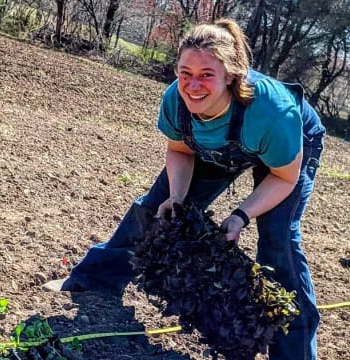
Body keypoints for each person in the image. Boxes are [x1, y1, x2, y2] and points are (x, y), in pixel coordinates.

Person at [44, 18, 325, 360]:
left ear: (231, 75)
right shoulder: (176, 102)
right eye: (184, 73)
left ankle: (294, 351)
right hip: (215, 144)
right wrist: (176, 200)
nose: (193, 85)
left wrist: (240, 216)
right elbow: (180, 150)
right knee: (155, 209)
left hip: (286, 149)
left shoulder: (272, 114)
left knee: (278, 239)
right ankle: (95, 280)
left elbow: (283, 177)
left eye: (206, 74)